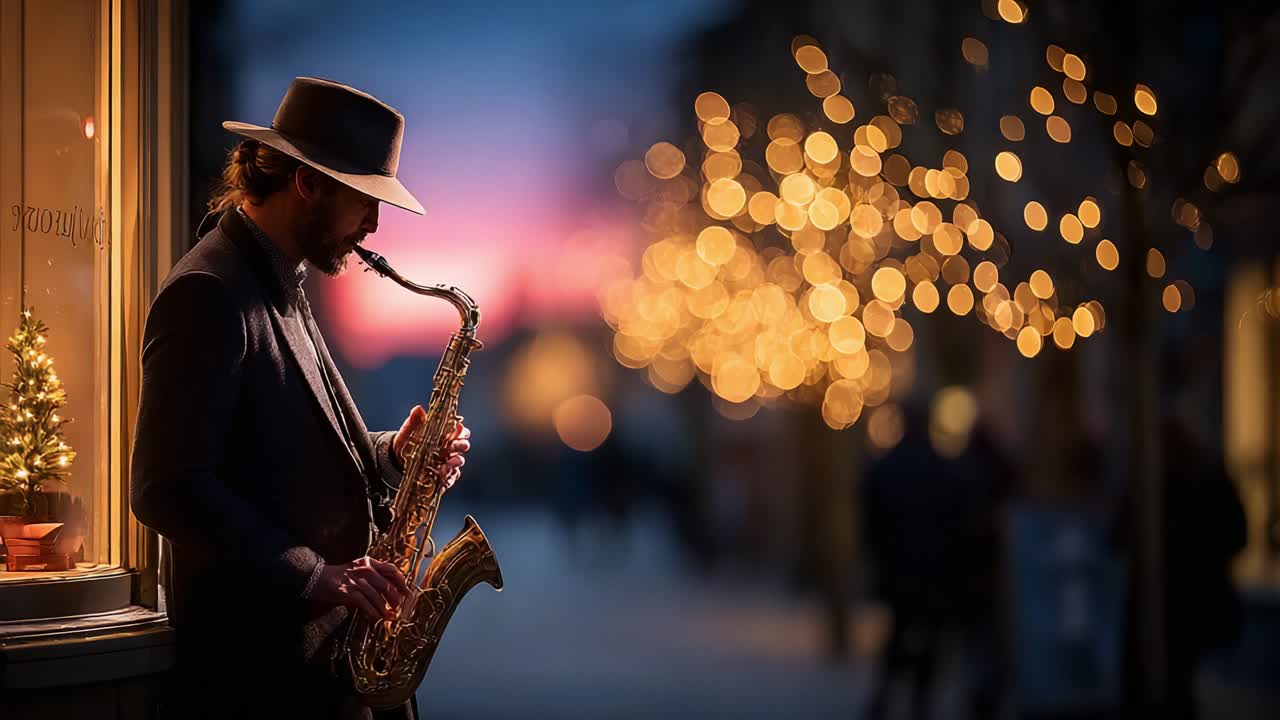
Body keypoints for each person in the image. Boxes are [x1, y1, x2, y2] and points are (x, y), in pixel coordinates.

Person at [130, 77, 472, 720]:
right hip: (261, 682)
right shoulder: (209, 292)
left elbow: (282, 450)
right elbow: (167, 488)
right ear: (308, 182)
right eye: (365, 199)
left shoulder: (279, 278)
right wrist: (315, 575)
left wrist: (394, 450)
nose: (373, 225)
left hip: (319, 672)